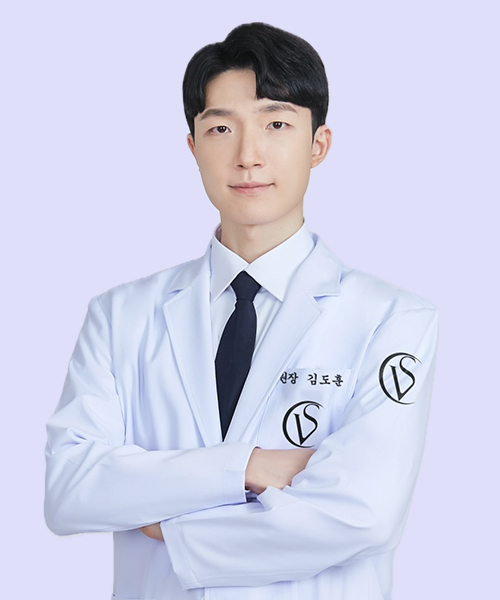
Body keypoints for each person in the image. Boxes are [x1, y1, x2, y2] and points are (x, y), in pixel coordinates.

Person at [45, 22, 438, 600]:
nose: (248, 156)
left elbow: (362, 515)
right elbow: (68, 491)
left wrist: (165, 524)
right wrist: (248, 466)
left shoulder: (392, 319)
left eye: (276, 124)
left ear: (318, 145)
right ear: (193, 146)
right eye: (221, 128)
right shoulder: (119, 316)